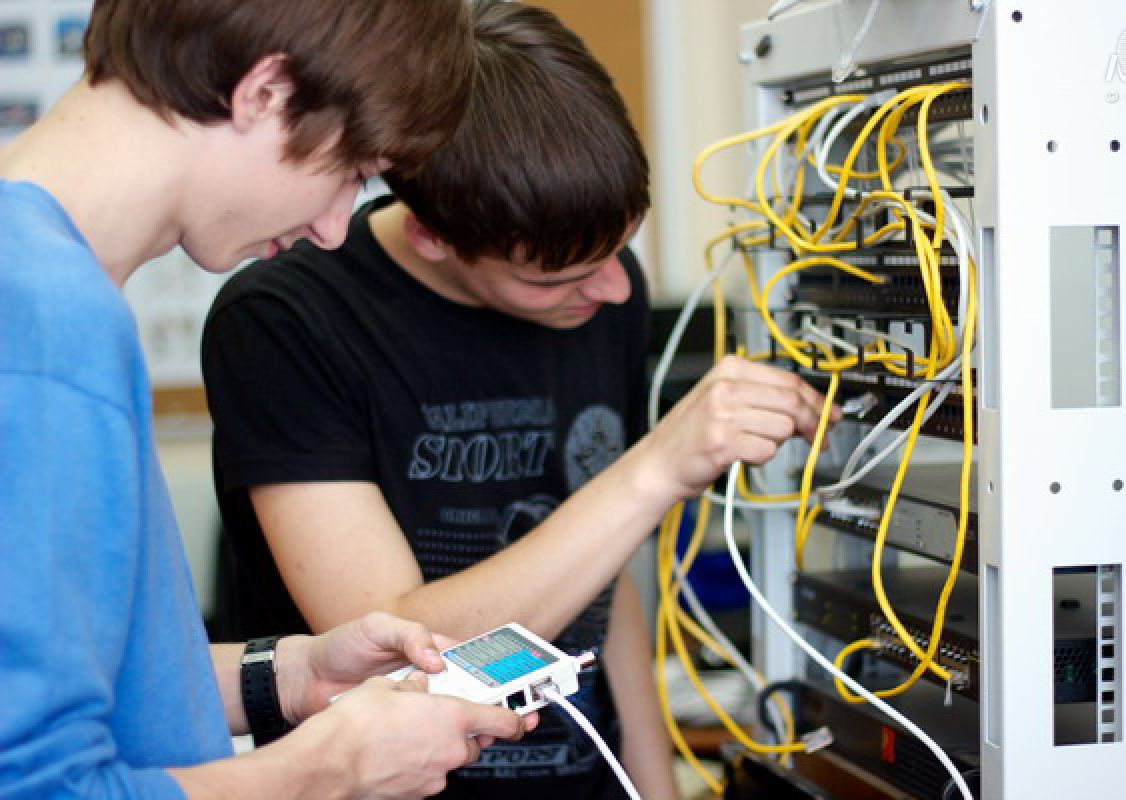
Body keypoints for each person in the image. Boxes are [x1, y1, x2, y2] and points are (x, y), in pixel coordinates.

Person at [201, 3, 836, 799]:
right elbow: (396, 642)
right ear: (433, 235)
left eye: (620, 253)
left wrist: (652, 789)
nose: (611, 291)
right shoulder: (286, 322)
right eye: (558, 277)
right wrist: (654, 470)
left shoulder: (600, 295)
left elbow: (602, 580)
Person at [0, 2, 535, 798]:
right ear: (266, 93)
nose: (333, 229)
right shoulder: (42, 323)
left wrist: (293, 674)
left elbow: (84, 687)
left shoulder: (37, 284)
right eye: (352, 173)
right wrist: (332, 767)